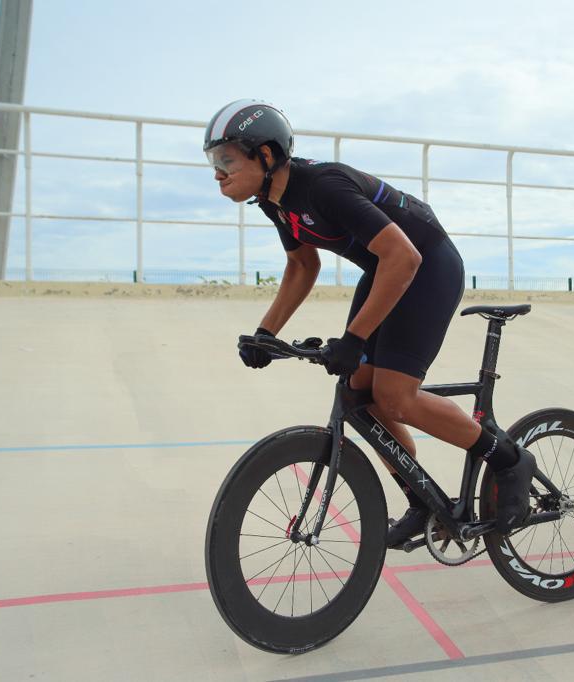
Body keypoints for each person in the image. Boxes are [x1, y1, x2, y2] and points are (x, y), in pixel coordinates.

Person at [204, 99, 535, 546]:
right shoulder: (274, 201)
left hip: (426, 265)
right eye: (213, 162)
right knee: (360, 393)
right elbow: (303, 266)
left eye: (226, 159)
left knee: (395, 398)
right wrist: (267, 334)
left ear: (265, 155)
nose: (218, 172)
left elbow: (405, 255)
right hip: (387, 269)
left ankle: (510, 461)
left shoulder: (323, 187)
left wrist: (354, 336)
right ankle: (422, 500)